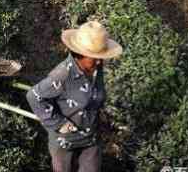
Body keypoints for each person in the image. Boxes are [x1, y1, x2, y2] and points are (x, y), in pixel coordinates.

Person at [26, 21, 123, 172]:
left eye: (100, 57)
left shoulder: (96, 66)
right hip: (65, 141)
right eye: (94, 57)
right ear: (80, 54)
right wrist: (59, 123)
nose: (99, 62)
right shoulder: (63, 75)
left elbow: (92, 96)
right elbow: (34, 95)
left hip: (90, 137)